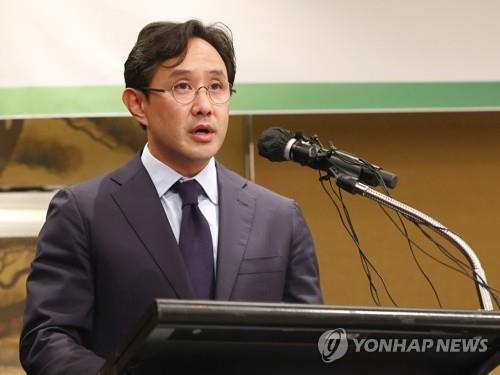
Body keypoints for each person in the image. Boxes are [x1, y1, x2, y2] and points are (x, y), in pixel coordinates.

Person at [19, 19, 322, 374]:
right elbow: (47, 337)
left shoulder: (279, 217)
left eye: (216, 86)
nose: (204, 105)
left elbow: (310, 342)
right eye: (183, 86)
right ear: (138, 104)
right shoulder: (83, 212)